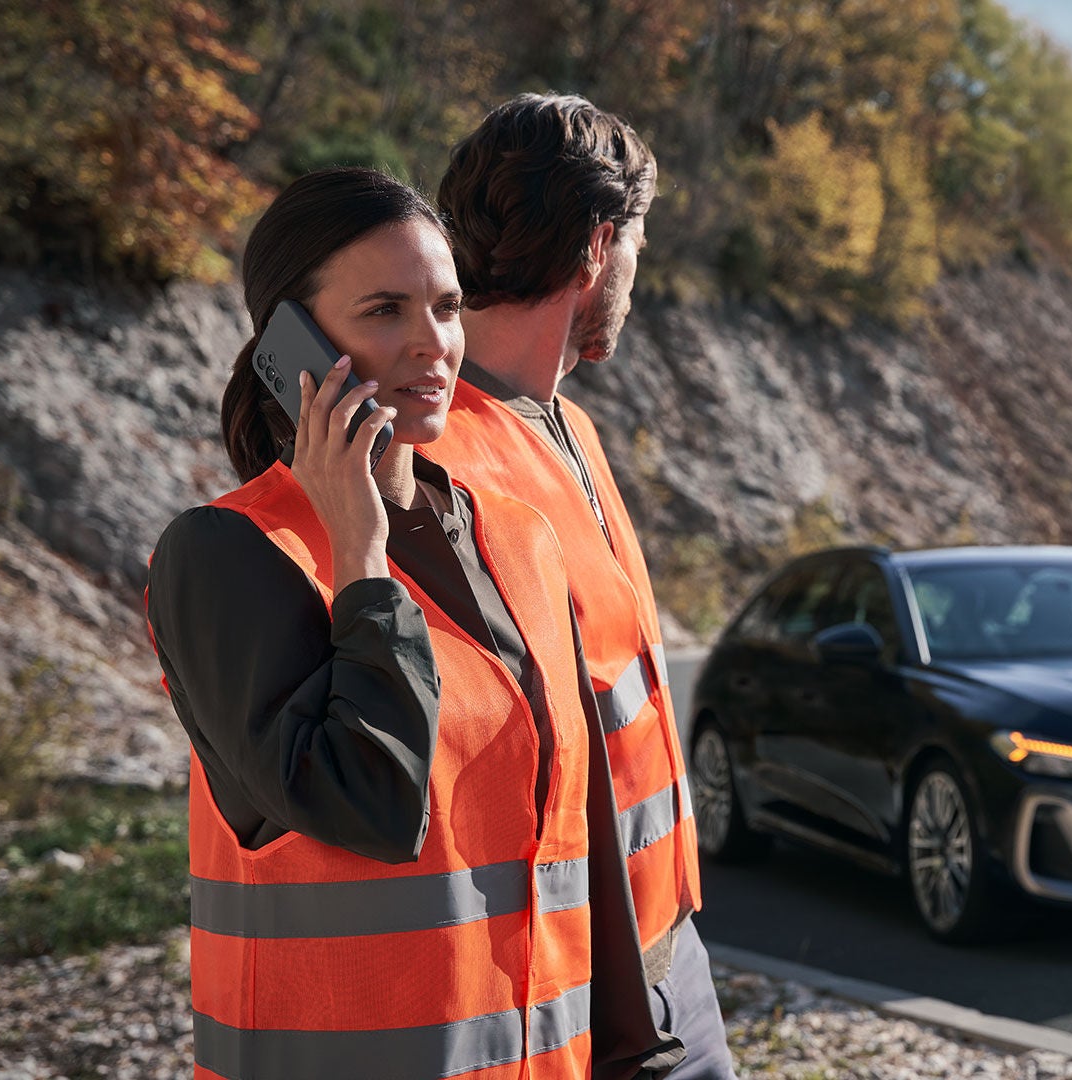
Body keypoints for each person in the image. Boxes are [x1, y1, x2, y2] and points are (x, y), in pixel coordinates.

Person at [147, 167, 597, 1080]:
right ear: (294, 343)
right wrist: (361, 551)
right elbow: (370, 801)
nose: (434, 344)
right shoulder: (228, 555)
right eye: (386, 310)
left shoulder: (517, 537)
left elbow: (571, 836)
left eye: (448, 307)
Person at [429, 94, 730, 1079]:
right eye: (638, 241)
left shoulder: (572, 428)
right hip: (585, 1001)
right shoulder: (438, 463)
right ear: (600, 244)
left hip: (667, 949)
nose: (638, 271)